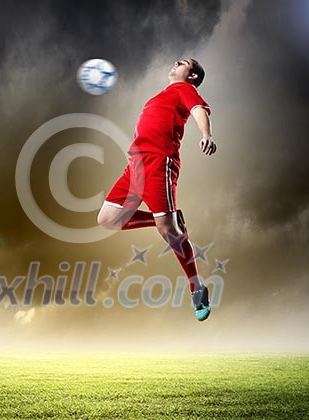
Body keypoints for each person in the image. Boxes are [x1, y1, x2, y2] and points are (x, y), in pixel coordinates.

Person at [97, 58, 216, 321]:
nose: (176, 63)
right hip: (135, 163)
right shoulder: (159, 96)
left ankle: (197, 287)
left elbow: (198, 110)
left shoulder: (185, 89)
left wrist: (206, 134)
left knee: (169, 232)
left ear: (192, 76)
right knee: (106, 219)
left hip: (159, 161)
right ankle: (164, 220)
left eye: (183, 63)